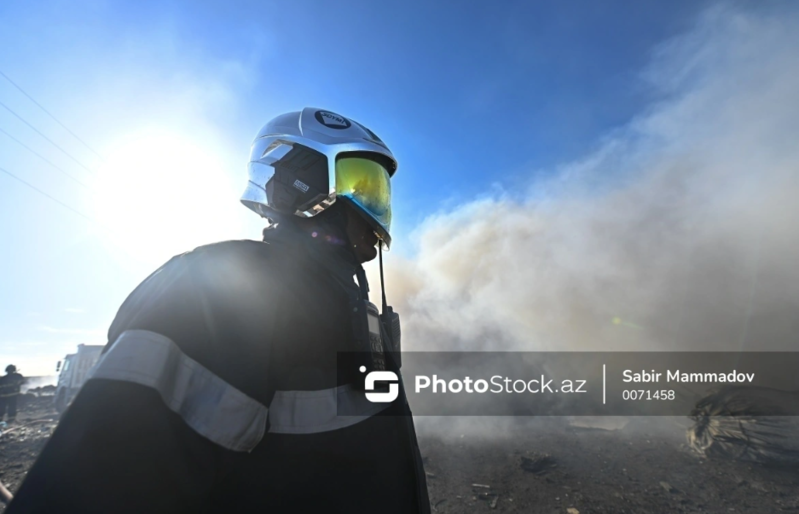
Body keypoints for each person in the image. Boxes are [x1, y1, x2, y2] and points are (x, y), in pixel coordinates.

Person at [7, 108, 430, 513]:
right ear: (301, 179)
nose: (375, 211)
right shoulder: (213, 288)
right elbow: (95, 488)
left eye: (380, 194)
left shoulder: (358, 312)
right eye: (362, 183)